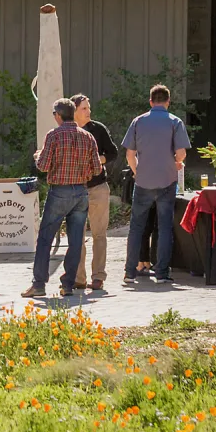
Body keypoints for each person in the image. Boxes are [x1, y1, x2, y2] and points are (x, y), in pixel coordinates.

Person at [23, 98, 103, 298]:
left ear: (58, 115)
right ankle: (67, 285)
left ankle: (39, 284)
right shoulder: (88, 137)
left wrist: (38, 156)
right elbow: (97, 169)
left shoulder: (54, 135)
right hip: (81, 192)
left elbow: (43, 166)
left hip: (59, 192)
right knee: (75, 241)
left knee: (45, 238)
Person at [122, 84, 191, 285]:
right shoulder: (175, 122)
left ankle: (130, 272)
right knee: (164, 227)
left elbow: (129, 154)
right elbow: (181, 153)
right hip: (167, 181)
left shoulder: (138, 121)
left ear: (150, 101)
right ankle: (161, 273)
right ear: (168, 102)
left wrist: (137, 172)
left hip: (143, 182)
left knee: (136, 227)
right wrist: (175, 162)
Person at [70, 94, 122, 292]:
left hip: (98, 187)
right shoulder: (68, 131)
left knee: (99, 234)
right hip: (75, 189)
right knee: (77, 235)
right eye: (84, 108)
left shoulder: (98, 129)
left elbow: (113, 153)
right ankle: (78, 278)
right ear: (74, 111)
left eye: (89, 107)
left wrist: (99, 159)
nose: (88, 111)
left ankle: (98, 276)